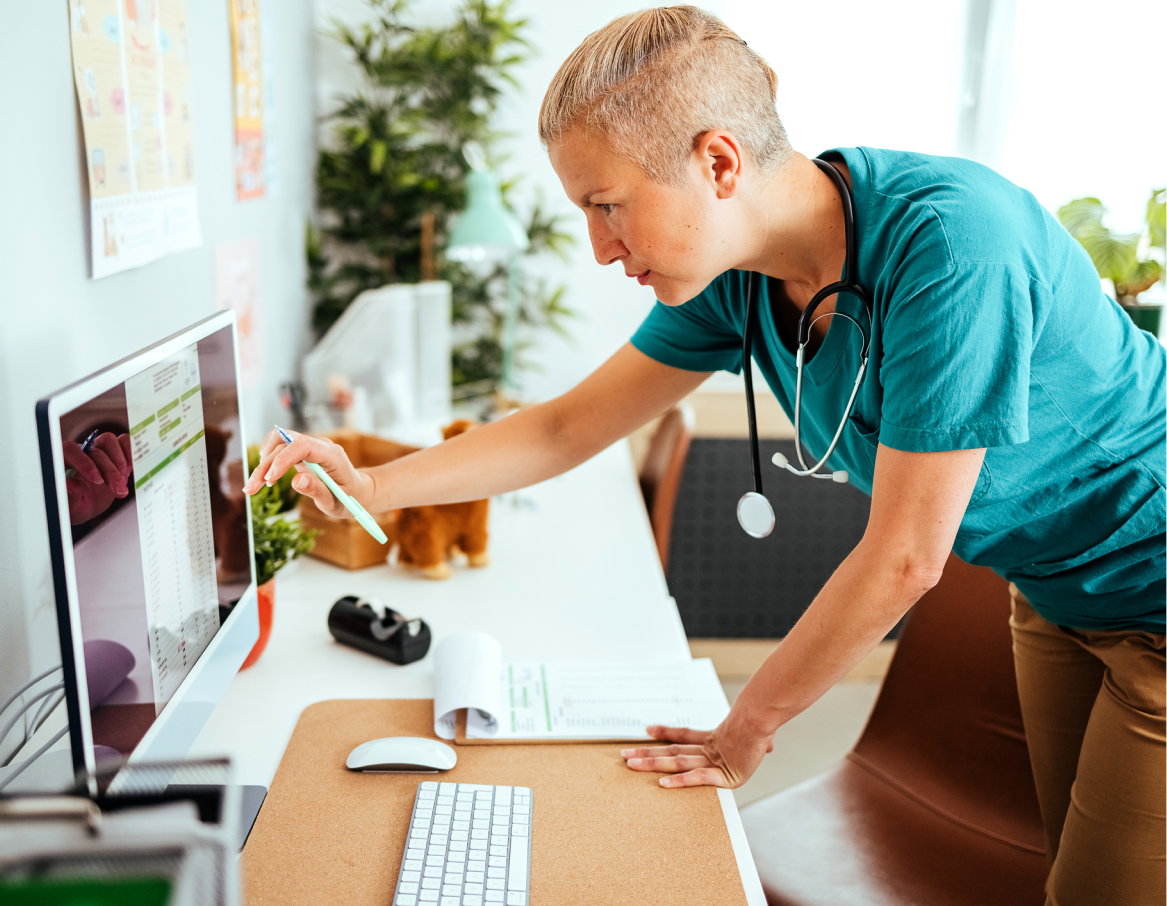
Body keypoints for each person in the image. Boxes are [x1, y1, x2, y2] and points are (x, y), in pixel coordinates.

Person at [246, 8, 1167, 903]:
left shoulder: (955, 245)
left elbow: (904, 556)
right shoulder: (740, 281)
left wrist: (747, 727)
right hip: (1053, 592)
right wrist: (373, 482)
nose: (601, 249)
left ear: (717, 162)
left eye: (608, 207)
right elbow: (566, 427)